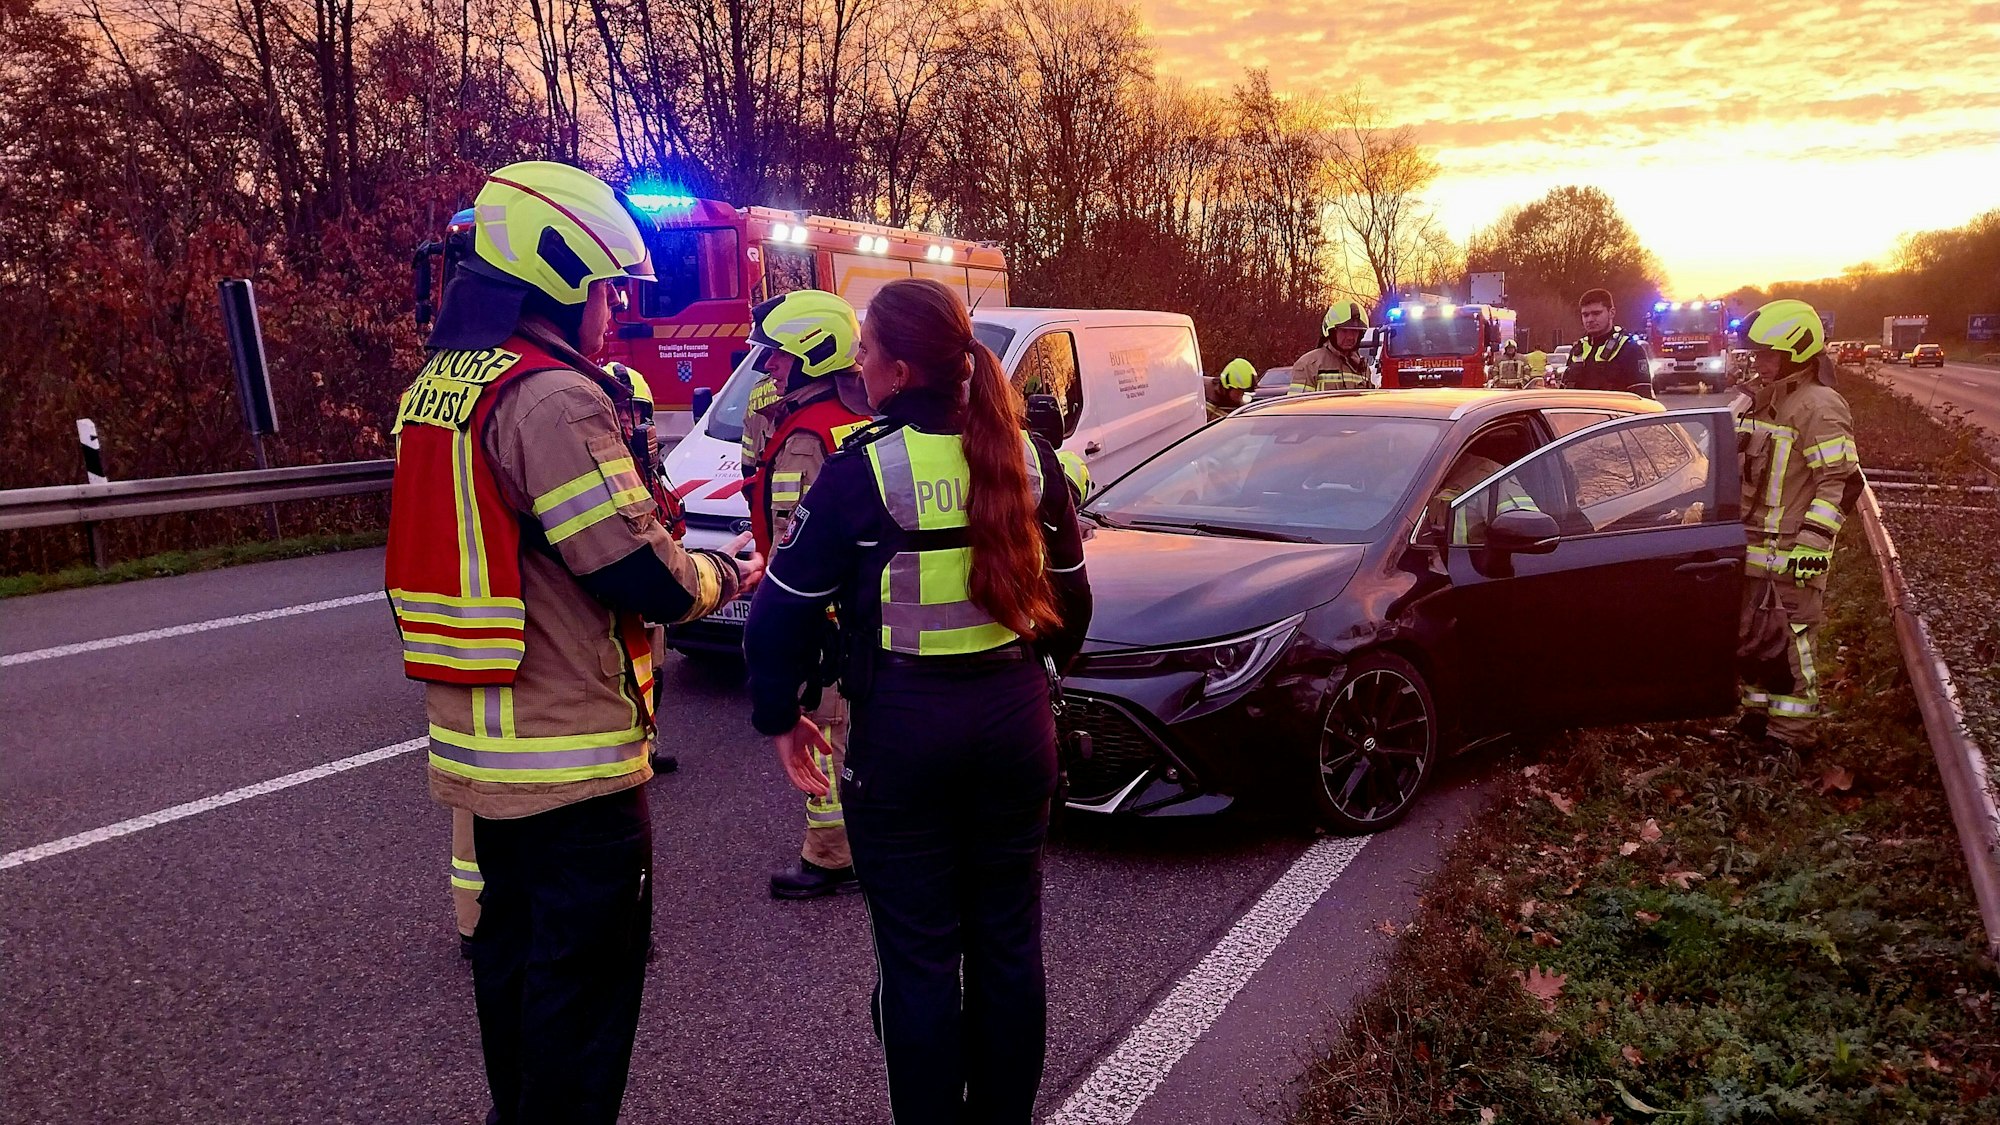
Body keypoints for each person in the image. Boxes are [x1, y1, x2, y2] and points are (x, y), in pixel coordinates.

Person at [385, 160, 762, 1124]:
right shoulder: (554, 399)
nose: (616, 314)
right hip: (573, 762)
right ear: (557, 279)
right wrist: (725, 578)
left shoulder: (443, 384)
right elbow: (632, 570)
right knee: (583, 1004)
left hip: (484, 751)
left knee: (510, 975)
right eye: (606, 290)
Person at [743, 278, 1092, 1123]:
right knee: (1009, 947)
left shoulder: (861, 469)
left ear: (898, 369)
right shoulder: (1026, 458)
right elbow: (1073, 613)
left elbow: (779, 614)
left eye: (862, 350)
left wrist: (779, 715)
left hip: (903, 738)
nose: (856, 364)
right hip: (1014, 728)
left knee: (920, 959)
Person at [738, 289, 874, 899]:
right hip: (862, 607)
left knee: (826, 728)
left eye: (777, 358)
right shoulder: (855, 416)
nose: (768, 368)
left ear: (812, 357)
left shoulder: (804, 436)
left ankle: (830, 855)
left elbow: (802, 537)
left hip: (824, 612)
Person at [1733, 298, 1858, 749]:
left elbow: (1839, 484)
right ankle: (1756, 719)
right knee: (1754, 642)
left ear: (1795, 352)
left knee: (1792, 650)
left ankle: (1791, 739)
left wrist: (1813, 545)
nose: (1758, 362)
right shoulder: (1762, 404)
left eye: (1767, 353)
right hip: (1753, 553)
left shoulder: (1820, 407)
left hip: (1792, 558)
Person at [1563, 288, 1652, 392]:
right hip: (1579, 408)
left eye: (1596, 313)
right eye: (1585, 315)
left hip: (1614, 408)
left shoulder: (1630, 349)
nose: (1590, 319)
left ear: (1611, 313)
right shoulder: (1578, 350)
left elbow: (1642, 398)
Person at [1290, 301, 1373, 393]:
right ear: (1332, 332)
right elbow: (1298, 405)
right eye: (1344, 331)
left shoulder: (1363, 368)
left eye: (1354, 331)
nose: (1350, 337)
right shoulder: (1309, 365)